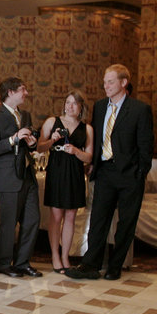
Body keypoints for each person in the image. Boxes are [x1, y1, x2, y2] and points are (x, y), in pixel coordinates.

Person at [66, 64, 153, 281]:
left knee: (125, 223)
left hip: (130, 175)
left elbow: (146, 145)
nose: (106, 86)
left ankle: (115, 266)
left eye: (111, 81)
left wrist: (140, 172)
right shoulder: (100, 106)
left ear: (123, 83)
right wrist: (93, 164)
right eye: (105, 81)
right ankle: (90, 265)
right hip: (105, 171)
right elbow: (96, 138)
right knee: (98, 220)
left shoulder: (140, 109)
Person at [0, 77, 41, 278]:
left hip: (27, 174)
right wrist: (13, 139)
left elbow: (28, 146)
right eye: (22, 90)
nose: (26, 93)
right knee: (8, 223)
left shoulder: (25, 115)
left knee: (32, 220)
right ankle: (2, 264)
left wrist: (32, 142)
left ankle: (22, 262)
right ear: (10, 92)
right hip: (8, 176)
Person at [36, 91, 93, 273]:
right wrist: (52, 140)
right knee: (56, 216)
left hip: (75, 174)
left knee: (71, 216)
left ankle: (65, 256)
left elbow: (89, 157)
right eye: (68, 102)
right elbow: (38, 147)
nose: (70, 106)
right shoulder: (52, 122)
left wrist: (76, 151)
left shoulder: (87, 129)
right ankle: (54, 255)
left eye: (74, 104)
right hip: (57, 171)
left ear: (81, 107)